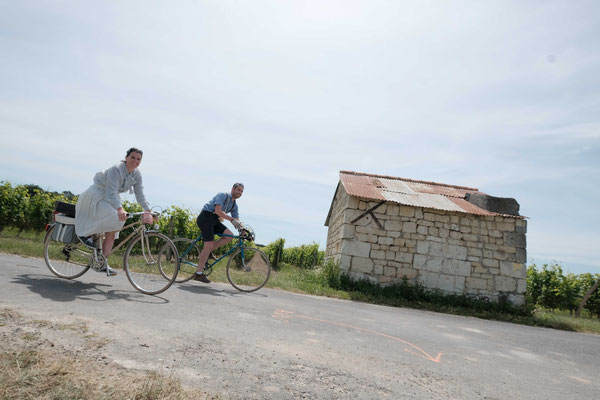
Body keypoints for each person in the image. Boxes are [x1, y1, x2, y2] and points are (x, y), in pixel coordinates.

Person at [75, 147, 153, 276]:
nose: (135, 161)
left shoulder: (136, 174)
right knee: (116, 217)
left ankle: (102, 262)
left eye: (138, 159)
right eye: (133, 157)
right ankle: (85, 235)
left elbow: (140, 194)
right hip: (97, 195)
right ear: (126, 157)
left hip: (109, 199)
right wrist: (119, 209)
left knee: (114, 227)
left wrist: (148, 210)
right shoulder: (116, 169)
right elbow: (111, 192)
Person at [193, 183, 244, 283]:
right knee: (208, 244)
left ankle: (207, 252)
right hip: (206, 217)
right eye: (238, 190)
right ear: (232, 189)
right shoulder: (222, 195)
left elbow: (236, 220)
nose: (240, 192)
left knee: (229, 236)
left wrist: (242, 230)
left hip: (215, 220)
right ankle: (198, 274)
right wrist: (231, 220)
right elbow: (218, 211)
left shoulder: (234, 205)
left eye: (242, 191)